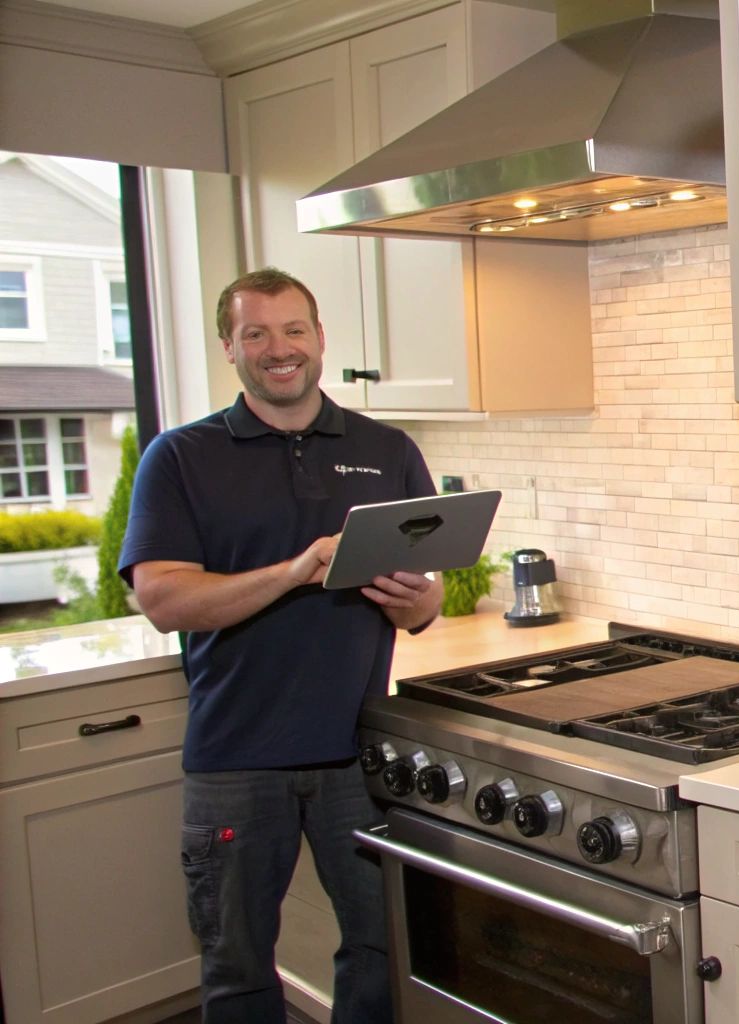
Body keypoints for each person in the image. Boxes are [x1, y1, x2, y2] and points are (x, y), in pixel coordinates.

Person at [118, 267, 443, 1023]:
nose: (279, 348)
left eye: (294, 329)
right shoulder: (180, 458)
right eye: (255, 333)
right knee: (236, 968)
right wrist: (296, 572)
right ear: (229, 347)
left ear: (320, 339)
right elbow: (164, 600)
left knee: (383, 949)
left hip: (359, 755)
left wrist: (420, 601)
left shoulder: (387, 449)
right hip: (237, 757)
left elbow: (421, 603)